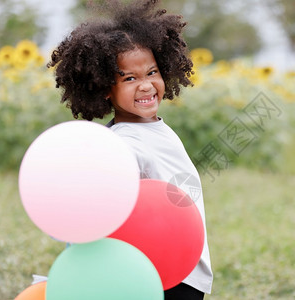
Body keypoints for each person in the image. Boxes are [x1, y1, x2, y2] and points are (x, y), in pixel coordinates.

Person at [47, 0, 213, 298]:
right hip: (159, 276)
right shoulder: (121, 144)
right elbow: (96, 213)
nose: (147, 86)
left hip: (181, 267)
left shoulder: (151, 128)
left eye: (152, 72)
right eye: (130, 78)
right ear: (105, 87)